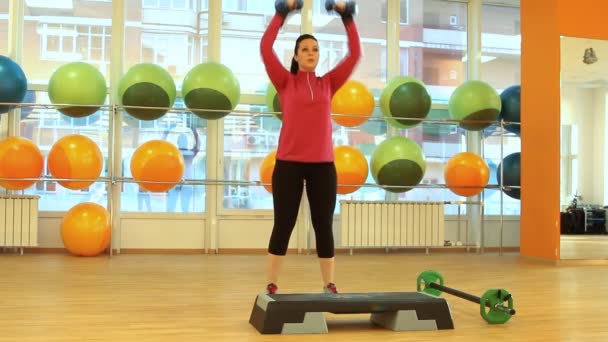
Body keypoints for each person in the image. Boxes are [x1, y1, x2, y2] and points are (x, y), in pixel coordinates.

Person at [260, 0, 361, 294]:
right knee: (284, 224)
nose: (310, 53)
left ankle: (329, 284)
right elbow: (265, 49)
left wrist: (347, 16)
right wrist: (282, 13)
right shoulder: (285, 82)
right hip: (289, 164)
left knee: (323, 225)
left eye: (314, 49)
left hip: (323, 166)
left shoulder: (328, 83)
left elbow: (355, 54)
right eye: (305, 49)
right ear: (296, 55)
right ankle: (271, 284)